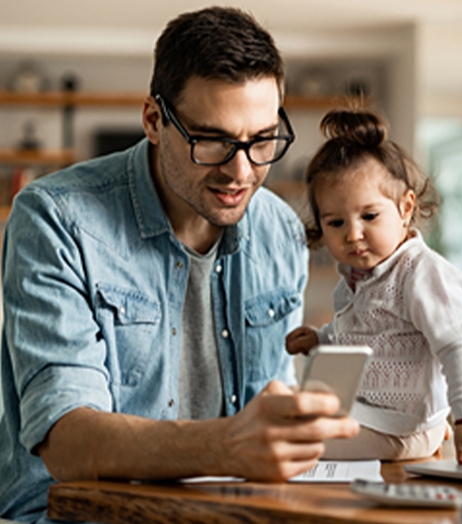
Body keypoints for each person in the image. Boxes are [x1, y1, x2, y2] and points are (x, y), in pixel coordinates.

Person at [0, 7, 358, 523]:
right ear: (153, 120)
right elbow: (68, 443)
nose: (241, 171)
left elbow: (266, 421)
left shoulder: (280, 229)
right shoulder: (55, 217)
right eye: (212, 139)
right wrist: (229, 445)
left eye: (262, 141)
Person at [286, 103, 462, 465]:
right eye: (335, 223)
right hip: (373, 413)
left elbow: (458, 347)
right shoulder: (355, 279)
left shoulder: (421, 274)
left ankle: (428, 433)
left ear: (406, 207)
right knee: (286, 410)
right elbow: (364, 335)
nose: (353, 234)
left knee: (298, 443)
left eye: (369, 216)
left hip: (400, 427)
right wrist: (323, 338)